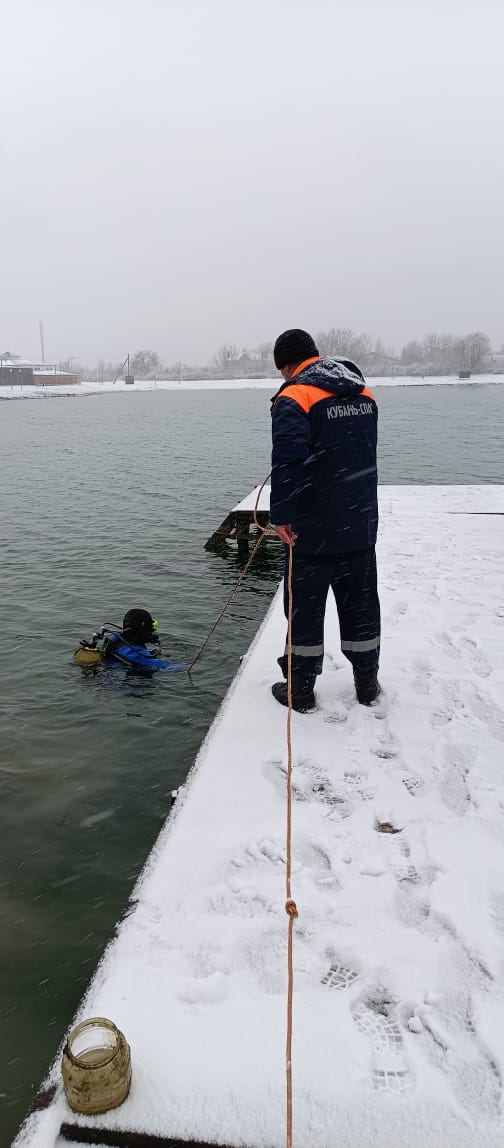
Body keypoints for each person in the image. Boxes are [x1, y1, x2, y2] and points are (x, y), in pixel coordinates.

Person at [270, 328, 381, 712]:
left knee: (304, 610)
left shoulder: (295, 395)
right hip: (359, 523)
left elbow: (288, 461)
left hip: (312, 530)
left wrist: (282, 516)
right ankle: (367, 683)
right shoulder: (362, 392)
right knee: (361, 607)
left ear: (287, 366)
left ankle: (300, 691)